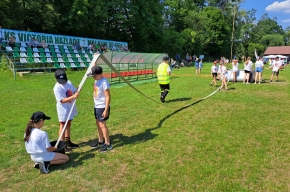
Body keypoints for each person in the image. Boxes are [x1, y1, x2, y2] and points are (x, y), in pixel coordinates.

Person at [53, 70, 80, 153]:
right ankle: (62, 145)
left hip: (70, 107)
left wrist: (77, 90)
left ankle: (68, 141)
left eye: (64, 80)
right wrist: (73, 97)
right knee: (62, 125)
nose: (63, 82)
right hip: (63, 109)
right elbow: (61, 100)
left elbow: (73, 91)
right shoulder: (57, 88)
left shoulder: (69, 82)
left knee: (69, 123)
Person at [89, 66, 113, 152]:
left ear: (99, 74)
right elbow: (95, 67)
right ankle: (101, 141)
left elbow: (107, 96)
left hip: (102, 106)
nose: (93, 77)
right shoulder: (97, 79)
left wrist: (106, 109)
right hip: (97, 106)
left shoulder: (104, 82)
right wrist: (95, 57)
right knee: (98, 124)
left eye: (94, 75)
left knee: (103, 125)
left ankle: (108, 144)